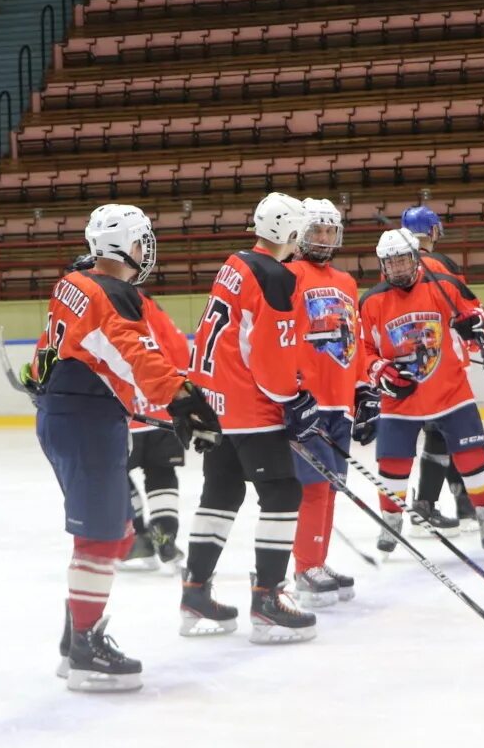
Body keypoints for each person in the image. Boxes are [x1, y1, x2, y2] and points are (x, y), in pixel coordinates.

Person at [25, 206, 221, 691]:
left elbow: (62, 350)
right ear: (129, 246)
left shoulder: (75, 281)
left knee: (113, 534)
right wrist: (182, 401)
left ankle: (75, 639)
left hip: (74, 416)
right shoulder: (113, 294)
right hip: (85, 420)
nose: (145, 250)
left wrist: (39, 377)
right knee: (99, 536)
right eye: (142, 241)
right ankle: (87, 648)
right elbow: (133, 353)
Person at [182, 192, 322, 643]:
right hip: (250, 408)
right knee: (282, 493)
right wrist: (293, 396)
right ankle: (267, 600)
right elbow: (267, 351)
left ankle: (195, 592)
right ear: (291, 233)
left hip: (216, 403)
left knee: (220, 493)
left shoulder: (235, 263)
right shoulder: (273, 275)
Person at [358, 229, 484, 551]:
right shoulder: (371, 301)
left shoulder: (445, 285)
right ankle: (391, 523)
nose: (398, 269)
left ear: (415, 258)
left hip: (451, 391)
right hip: (401, 399)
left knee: (472, 458)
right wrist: (380, 372)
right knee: (392, 465)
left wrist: (480, 332)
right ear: (382, 265)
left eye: (403, 261)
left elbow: (480, 319)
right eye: (391, 263)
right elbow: (363, 350)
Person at [287, 198, 360, 606]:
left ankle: (318, 559)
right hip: (307, 402)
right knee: (313, 487)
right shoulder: (288, 275)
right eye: (317, 230)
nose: (325, 239)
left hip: (339, 402)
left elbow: (356, 339)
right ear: (299, 233)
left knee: (331, 487)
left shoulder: (347, 281)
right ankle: (304, 567)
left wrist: (363, 387)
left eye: (331, 231)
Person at [399, 205, 475, 532]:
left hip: (405, 363)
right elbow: (466, 311)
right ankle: (425, 506)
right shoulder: (444, 264)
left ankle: (464, 503)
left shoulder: (395, 264)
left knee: (442, 432)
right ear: (432, 231)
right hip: (442, 363)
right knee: (445, 432)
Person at [122, 275, 194, 573]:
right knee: (162, 472)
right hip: (163, 413)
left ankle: (139, 538)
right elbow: (180, 352)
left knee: (112, 475)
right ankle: (165, 536)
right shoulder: (150, 304)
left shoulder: (95, 305)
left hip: (122, 416)